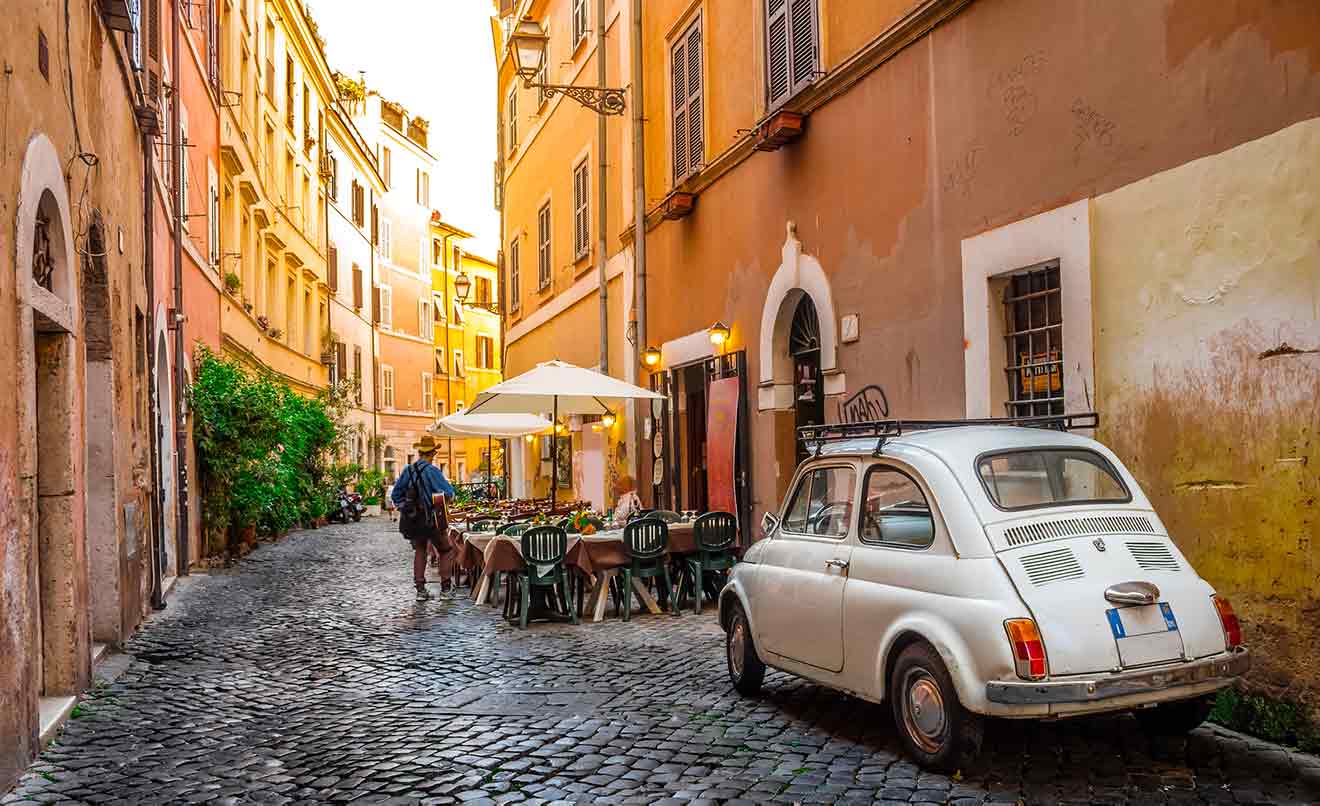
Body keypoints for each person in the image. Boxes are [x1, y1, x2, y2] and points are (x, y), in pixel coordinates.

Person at [391, 436, 456, 601]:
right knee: (445, 550)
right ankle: (446, 588)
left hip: (413, 520)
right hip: (432, 518)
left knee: (420, 551)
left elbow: (395, 495)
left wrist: (405, 506)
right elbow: (448, 493)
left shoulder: (408, 470)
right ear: (433, 453)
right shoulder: (433, 471)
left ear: (420, 452)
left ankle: (420, 590)